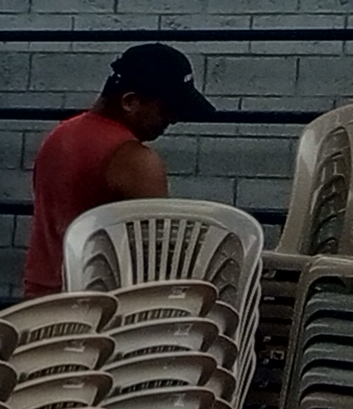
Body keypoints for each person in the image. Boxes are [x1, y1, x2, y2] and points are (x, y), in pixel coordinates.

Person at [24, 39, 215, 293]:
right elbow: (156, 260)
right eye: (166, 109)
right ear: (129, 101)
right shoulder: (134, 158)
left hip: (42, 299)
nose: (174, 118)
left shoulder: (58, 136)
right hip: (98, 305)